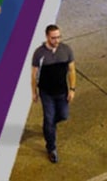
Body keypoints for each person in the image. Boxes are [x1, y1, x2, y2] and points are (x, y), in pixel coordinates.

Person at [31, 24, 76, 164]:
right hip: (47, 93)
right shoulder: (39, 53)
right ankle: (51, 148)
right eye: (53, 38)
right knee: (49, 119)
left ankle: (48, 126)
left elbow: (72, 70)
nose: (57, 40)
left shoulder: (66, 50)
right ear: (47, 37)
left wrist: (72, 89)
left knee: (63, 115)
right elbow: (34, 74)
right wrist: (34, 92)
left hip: (62, 91)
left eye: (58, 37)